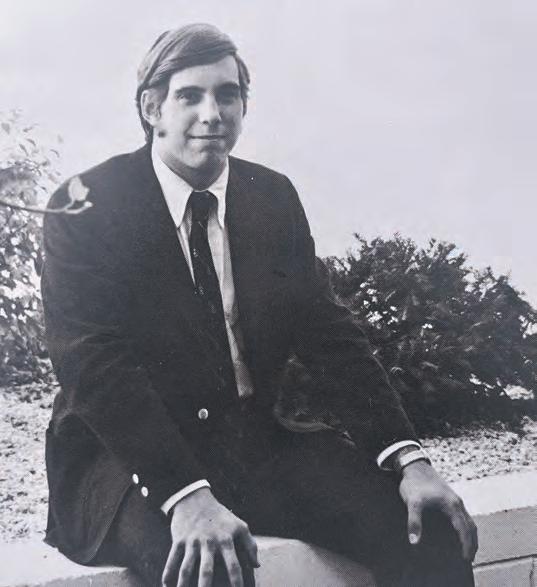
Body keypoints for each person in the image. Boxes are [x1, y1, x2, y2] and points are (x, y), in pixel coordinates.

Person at [41, 23, 477, 587]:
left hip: (250, 448)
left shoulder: (270, 198)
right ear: (152, 108)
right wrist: (186, 496)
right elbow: (93, 366)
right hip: (125, 468)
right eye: (189, 95)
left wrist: (410, 462)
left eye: (227, 94)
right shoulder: (89, 207)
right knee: (210, 568)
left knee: (432, 532)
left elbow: (331, 337)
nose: (212, 114)